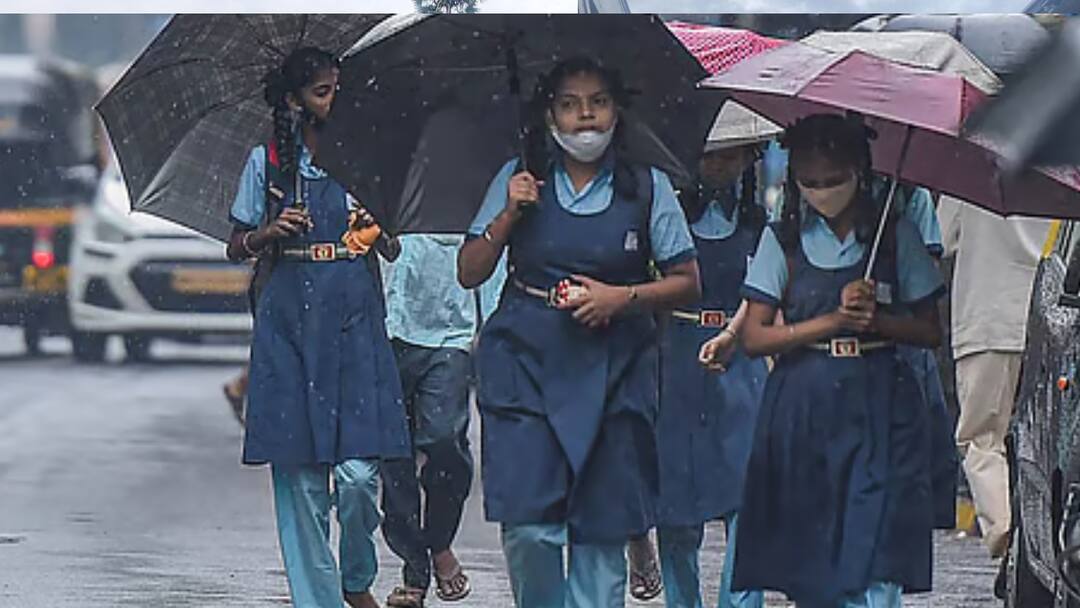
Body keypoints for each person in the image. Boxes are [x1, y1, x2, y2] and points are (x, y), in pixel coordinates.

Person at [457, 56, 701, 608]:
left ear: (618, 111)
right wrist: (508, 216)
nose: (585, 117)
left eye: (598, 102)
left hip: (618, 369)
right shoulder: (518, 177)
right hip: (525, 363)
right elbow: (470, 271)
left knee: (600, 534)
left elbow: (688, 282)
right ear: (549, 114)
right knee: (529, 529)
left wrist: (623, 298)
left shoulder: (646, 187)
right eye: (569, 104)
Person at [732, 113, 943, 607]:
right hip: (804, 406)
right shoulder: (782, 242)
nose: (823, 191)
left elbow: (930, 330)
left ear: (859, 171)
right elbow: (755, 337)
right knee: (813, 550)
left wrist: (877, 320)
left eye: (834, 180)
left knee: (876, 542)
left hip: (881, 404)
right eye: (810, 182)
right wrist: (830, 322)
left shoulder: (896, 238)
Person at [224, 47, 410, 608]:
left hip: (354, 316)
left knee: (357, 477)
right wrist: (269, 231)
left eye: (338, 89)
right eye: (322, 91)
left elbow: (398, 244)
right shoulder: (267, 162)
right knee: (300, 481)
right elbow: (236, 246)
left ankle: (356, 575)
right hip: (288, 322)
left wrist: (379, 226)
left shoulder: (368, 157)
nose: (334, 101)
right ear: (293, 101)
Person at [649, 137, 770, 608]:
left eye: (733, 153)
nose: (721, 164)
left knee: (747, 495)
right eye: (711, 153)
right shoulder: (664, 218)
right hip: (677, 360)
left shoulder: (762, 223)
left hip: (744, 364)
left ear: (750, 158)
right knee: (676, 503)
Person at [378, 233, 506, 607]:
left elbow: (493, 247)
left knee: (443, 438)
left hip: (452, 332)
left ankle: (438, 540)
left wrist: (494, 323)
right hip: (389, 328)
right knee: (394, 455)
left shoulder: (472, 185)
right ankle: (415, 571)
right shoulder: (390, 184)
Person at [937, 194, 1051, 558]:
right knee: (1051, 440)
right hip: (1053, 316)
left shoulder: (971, 165)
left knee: (982, 439)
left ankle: (1007, 535)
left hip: (988, 317)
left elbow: (942, 237)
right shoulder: (1065, 163)